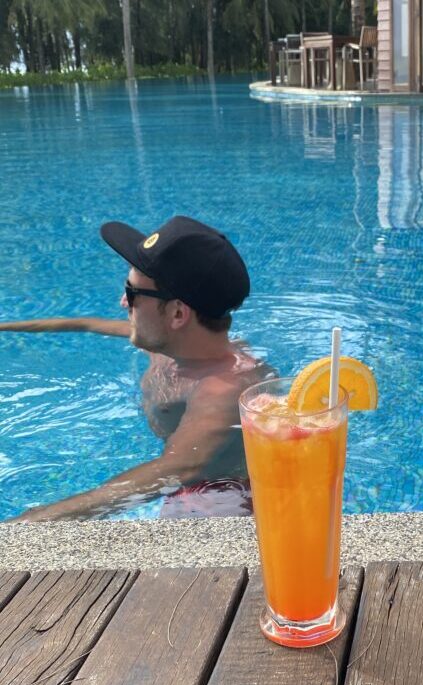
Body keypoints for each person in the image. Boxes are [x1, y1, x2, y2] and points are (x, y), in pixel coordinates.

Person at [1, 215, 273, 522]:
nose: (122, 302)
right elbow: (87, 324)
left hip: (221, 494)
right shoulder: (170, 346)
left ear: (178, 314)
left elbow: (178, 468)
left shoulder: (224, 389)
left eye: (132, 293)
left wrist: (30, 522)